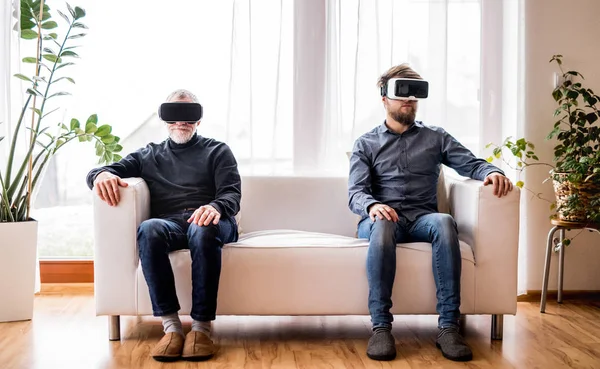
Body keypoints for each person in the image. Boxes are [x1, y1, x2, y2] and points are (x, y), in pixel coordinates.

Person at [347, 64, 513, 362]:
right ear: (385, 98)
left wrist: (492, 171)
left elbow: (472, 164)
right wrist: (373, 206)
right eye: (401, 93)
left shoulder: (436, 137)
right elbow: (355, 193)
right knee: (383, 225)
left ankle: (449, 327)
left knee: (445, 221)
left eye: (414, 93)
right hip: (380, 221)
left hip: (423, 217)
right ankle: (381, 327)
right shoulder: (366, 143)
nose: (408, 100)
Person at [85, 89, 241, 362]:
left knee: (203, 230)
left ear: (199, 120)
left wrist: (214, 207)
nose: (181, 122)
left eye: (188, 115)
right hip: (170, 223)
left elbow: (231, 194)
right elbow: (103, 170)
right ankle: (171, 328)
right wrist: (101, 175)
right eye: (174, 115)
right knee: (149, 229)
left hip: (212, 221)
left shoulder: (217, 150)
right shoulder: (148, 155)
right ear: (165, 119)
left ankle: (201, 329)